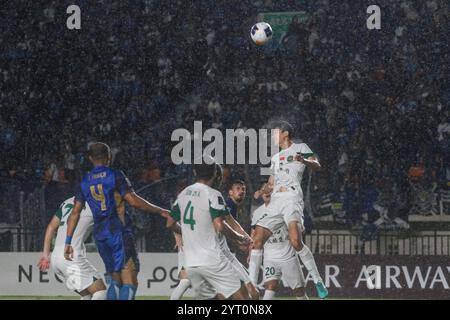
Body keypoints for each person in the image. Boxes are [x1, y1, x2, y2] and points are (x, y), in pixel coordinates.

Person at [64, 142, 169, 300]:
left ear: (90, 158)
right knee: (130, 279)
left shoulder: (85, 181)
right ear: (109, 156)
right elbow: (133, 200)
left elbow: (75, 213)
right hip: (118, 231)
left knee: (115, 280)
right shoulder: (115, 174)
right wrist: (160, 210)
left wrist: (68, 241)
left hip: (100, 235)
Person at [249, 120, 328, 299]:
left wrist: (304, 159)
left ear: (285, 133)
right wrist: (263, 190)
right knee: (258, 239)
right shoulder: (275, 158)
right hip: (276, 200)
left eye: (275, 132)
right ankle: (251, 284)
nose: (272, 136)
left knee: (295, 241)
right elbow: (271, 183)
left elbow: (317, 165)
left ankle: (317, 280)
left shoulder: (300, 147)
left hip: (292, 198)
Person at [165, 159, 252, 300]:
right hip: (212, 260)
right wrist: (240, 237)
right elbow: (220, 225)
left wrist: (188, 233)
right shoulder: (213, 194)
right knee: (244, 297)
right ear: (215, 174)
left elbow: (169, 223)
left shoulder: (183, 194)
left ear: (195, 172)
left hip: (192, 264)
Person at [38, 196, 107, 300]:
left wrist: (45, 255)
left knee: (87, 295)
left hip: (56, 258)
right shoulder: (96, 202)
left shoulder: (67, 202)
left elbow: (51, 227)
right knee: (100, 291)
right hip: (70, 257)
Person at [251, 184, 308, 300]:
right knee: (270, 286)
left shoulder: (284, 208)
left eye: (270, 190)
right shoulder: (257, 213)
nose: (267, 192)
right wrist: (250, 252)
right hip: (269, 257)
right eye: (264, 190)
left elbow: (298, 230)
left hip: (287, 256)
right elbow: (254, 236)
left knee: (299, 291)